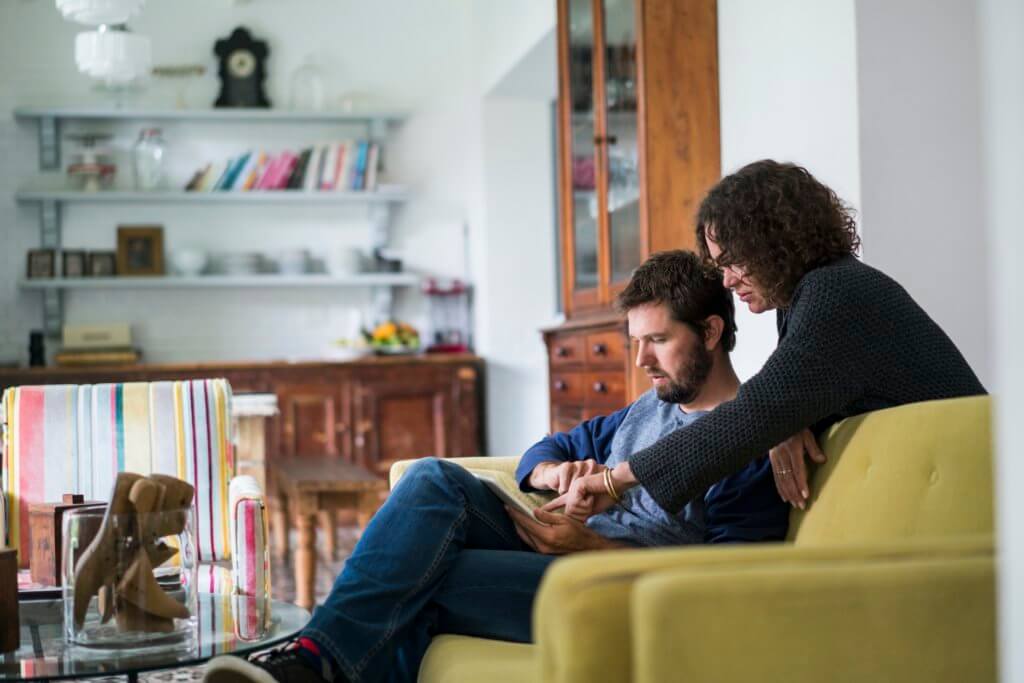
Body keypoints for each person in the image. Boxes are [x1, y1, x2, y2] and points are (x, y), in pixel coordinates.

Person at [203, 250, 788, 683]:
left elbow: (725, 581)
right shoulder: (647, 407)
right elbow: (547, 449)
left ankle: (312, 664)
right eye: (636, 341)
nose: (640, 361)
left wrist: (591, 549)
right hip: (559, 544)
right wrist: (551, 476)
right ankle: (313, 661)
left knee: (426, 576)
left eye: (657, 341)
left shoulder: (746, 441)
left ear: (711, 332)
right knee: (434, 478)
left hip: (607, 582)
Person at [553, 159, 987, 523]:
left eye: (734, 262)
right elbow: (785, 398)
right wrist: (788, 421)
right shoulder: (804, 298)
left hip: (976, 491)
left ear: (776, 245)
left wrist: (616, 479)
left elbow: (755, 411)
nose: (726, 280)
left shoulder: (837, 294)